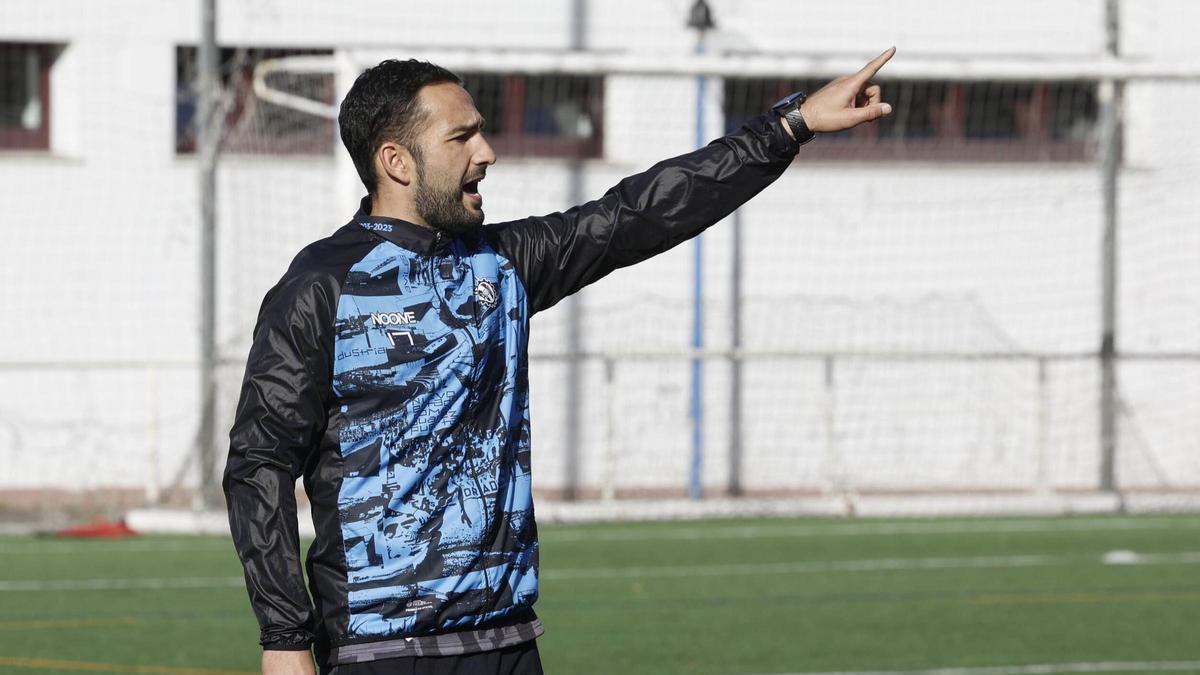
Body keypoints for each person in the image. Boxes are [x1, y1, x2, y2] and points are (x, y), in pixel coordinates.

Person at [224, 48, 896, 675]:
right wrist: (284, 639)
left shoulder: (505, 265)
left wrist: (793, 124)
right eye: (461, 138)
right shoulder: (321, 286)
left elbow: (639, 213)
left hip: (510, 641)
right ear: (397, 161)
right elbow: (260, 462)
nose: (486, 153)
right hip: (379, 650)